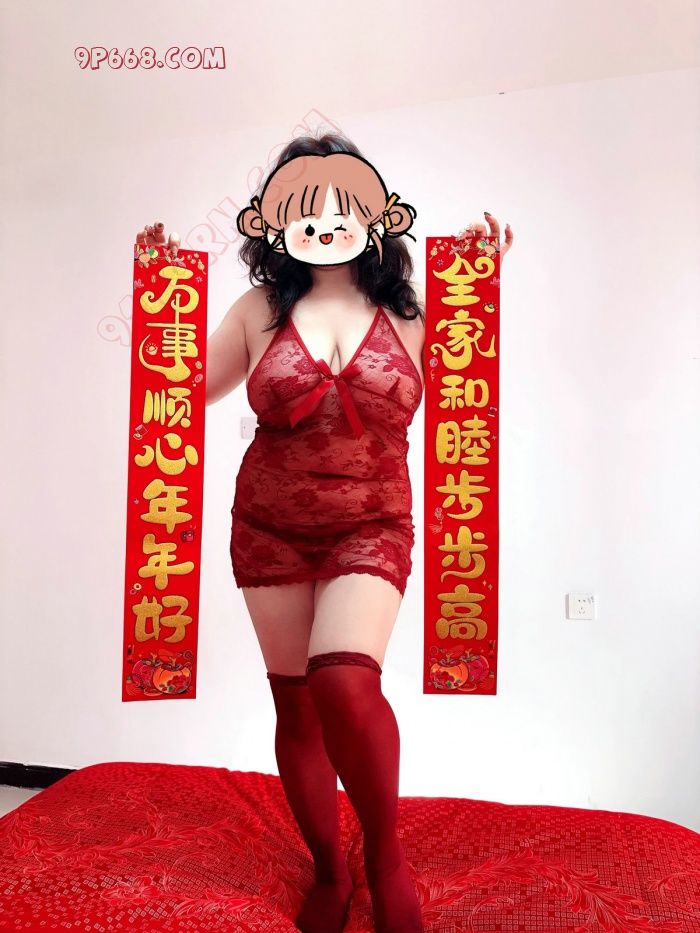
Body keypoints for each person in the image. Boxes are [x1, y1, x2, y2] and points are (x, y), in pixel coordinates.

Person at [136, 132, 513, 933]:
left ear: (375, 216)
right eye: (304, 212)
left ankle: (385, 858)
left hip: (372, 523)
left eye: (341, 208)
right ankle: (330, 869)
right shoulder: (257, 311)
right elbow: (182, 386)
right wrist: (163, 299)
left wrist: (483, 281)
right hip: (268, 525)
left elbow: (470, 390)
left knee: (343, 681)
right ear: (275, 223)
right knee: (298, 707)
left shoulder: (416, 311)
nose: (325, 225)